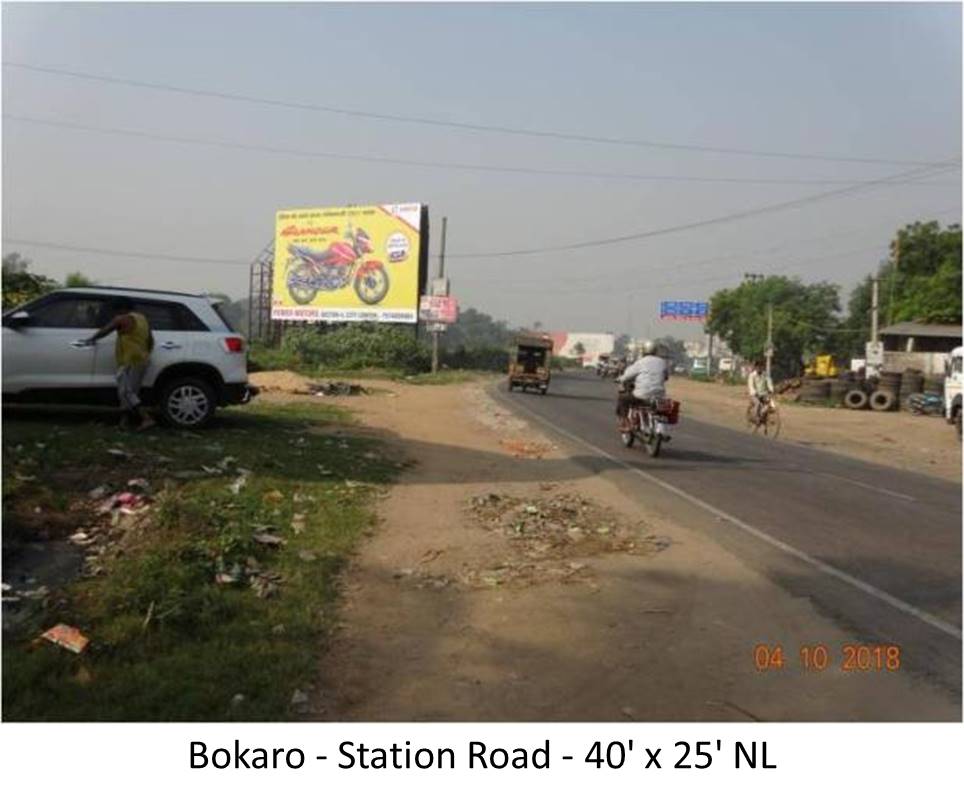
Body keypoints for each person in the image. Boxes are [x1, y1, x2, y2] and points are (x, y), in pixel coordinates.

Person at [83, 299, 156, 430]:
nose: (114, 313)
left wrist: (91, 339)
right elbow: (150, 340)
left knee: (126, 392)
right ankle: (124, 423)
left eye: (115, 310)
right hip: (142, 359)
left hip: (129, 360)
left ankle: (147, 418)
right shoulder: (142, 319)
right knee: (129, 393)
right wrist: (145, 353)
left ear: (121, 309)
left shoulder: (122, 319)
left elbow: (105, 331)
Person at [616, 340, 669, 429]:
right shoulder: (662, 362)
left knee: (623, 399)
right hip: (659, 395)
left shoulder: (640, 362)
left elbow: (627, 375)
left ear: (643, 351)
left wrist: (620, 379)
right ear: (655, 351)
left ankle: (625, 423)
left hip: (642, 395)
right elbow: (666, 377)